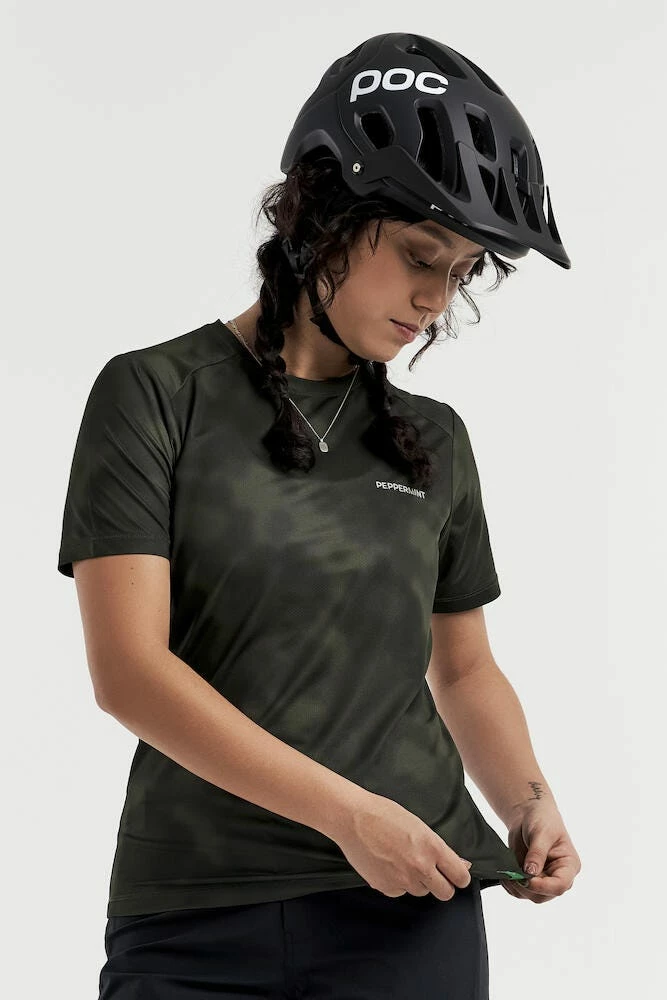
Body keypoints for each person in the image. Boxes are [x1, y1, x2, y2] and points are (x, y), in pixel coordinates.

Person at [57, 31, 581, 1000]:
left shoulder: (434, 439)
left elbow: (464, 668)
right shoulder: (155, 393)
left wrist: (526, 801)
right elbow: (128, 670)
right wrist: (347, 816)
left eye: (463, 270)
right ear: (324, 216)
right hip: (191, 913)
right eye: (419, 254)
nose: (435, 297)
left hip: (411, 911)